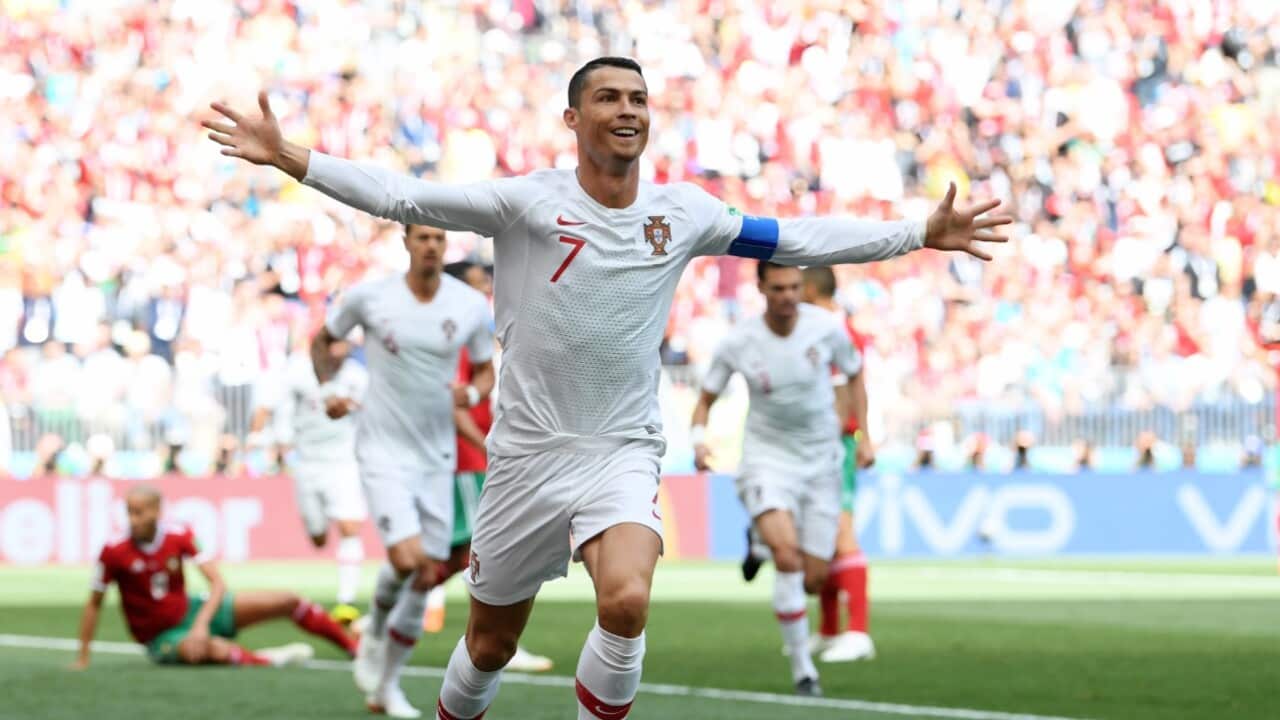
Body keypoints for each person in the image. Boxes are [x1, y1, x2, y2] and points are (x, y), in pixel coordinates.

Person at [204, 56, 1009, 720]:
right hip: (523, 459)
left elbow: (794, 235)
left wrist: (918, 233)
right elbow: (401, 195)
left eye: (638, 99)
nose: (628, 110)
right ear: (573, 119)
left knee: (626, 602)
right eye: (609, 97)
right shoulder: (526, 204)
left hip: (620, 450)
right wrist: (290, 156)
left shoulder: (682, 212)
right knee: (488, 647)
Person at [315, 223, 496, 718]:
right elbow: (324, 339)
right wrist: (328, 390)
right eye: (423, 238)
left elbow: (485, 369)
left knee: (425, 573)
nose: (431, 246)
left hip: (437, 456)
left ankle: (385, 684)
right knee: (412, 559)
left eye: (439, 238)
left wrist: (475, 394)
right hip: (382, 451)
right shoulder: (371, 298)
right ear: (407, 243)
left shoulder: (468, 306)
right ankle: (374, 632)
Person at [689, 262, 862, 695]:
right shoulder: (739, 341)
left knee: (813, 578)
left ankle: (760, 540)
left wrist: (866, 433)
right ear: (761, 288)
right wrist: (698, 441)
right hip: (768, 459)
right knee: (789, 557)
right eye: (778, 288)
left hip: (821, 461)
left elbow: (855, 372)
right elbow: (705, 399)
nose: (787, 296)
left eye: (794, 287)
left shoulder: (826, 328)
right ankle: (805, 671)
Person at [421, 261, 554, 674]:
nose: (487, 294)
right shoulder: (459, 340)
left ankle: (396, 608)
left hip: (473, 457)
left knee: (464, 553)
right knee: (489, 550)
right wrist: (489, 448)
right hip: (468, 459)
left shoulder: (475, 337)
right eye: (479, 286)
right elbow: (454, 403)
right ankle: (493, 639)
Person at [72, 485, 357, 670]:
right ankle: (270, 659)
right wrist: (83, 656)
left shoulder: (179, 535)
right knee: (211, 650)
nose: (133, 519)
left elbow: (218, 584)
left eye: (139, 512)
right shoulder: (113, 550)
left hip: (194, 610)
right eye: (129, 512)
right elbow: (94, 603)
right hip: (161, 636)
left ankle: (354, 649)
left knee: (288, 600)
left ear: (158, 511)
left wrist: (200, 624)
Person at [250, 334, 369, 624]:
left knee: (349, 526)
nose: (340, 352)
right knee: (318, 537)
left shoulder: (358, 377)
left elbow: (376, 410)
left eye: (345, 346)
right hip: (307, 463)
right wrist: (259, 435)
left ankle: (346, 602)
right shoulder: (298, 373)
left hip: (344, 462)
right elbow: (268, 404)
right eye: (334, 345)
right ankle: (317, 525)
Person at [801, 266, 876, 664]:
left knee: (841, 529)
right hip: (818, 443)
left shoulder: (834, 330)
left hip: (836, 444)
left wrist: (861, 435)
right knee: (821, 535)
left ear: (810, 289)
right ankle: (830, 629)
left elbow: (852, 386)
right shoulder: (822, 327)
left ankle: (858, 632)